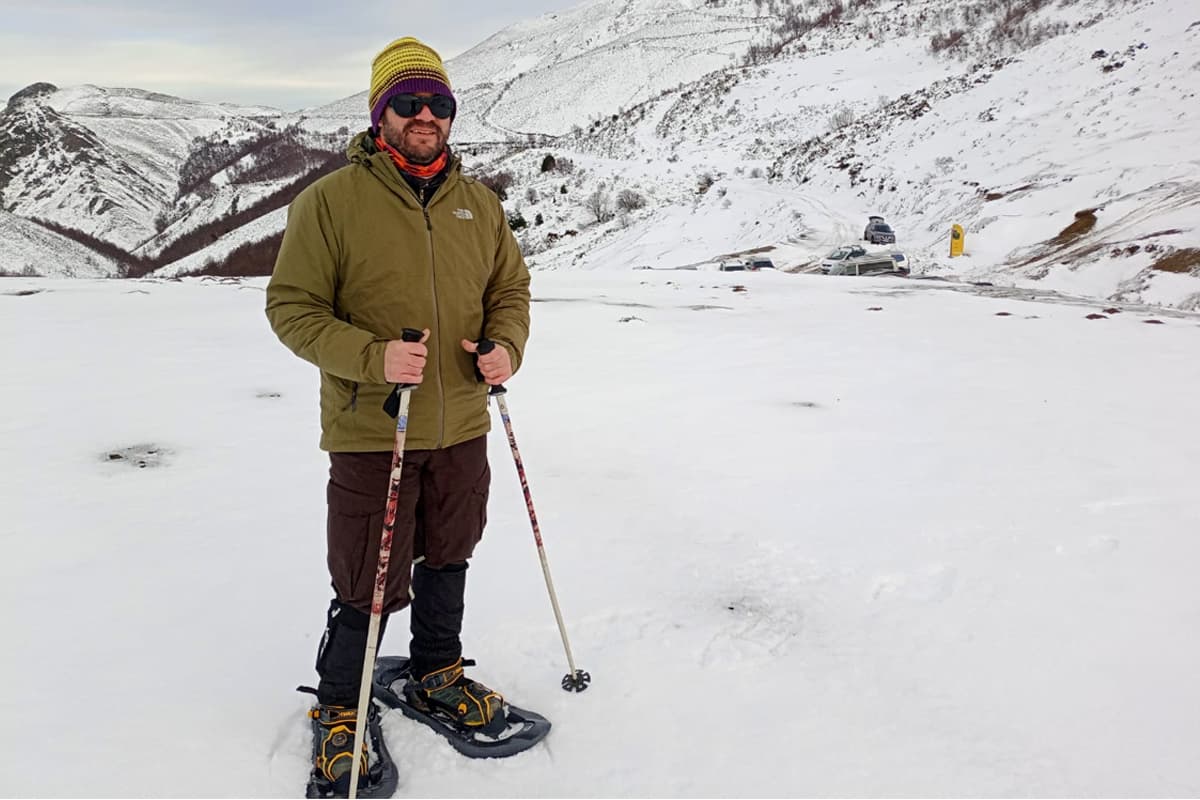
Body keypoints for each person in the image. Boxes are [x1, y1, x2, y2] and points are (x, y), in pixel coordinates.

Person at [265, 36, 531, 796]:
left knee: (450, 552)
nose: (425, 116)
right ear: (380, 115)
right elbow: (292, 308)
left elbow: (510, 290)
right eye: (408, 104)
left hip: (463, 424)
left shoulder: (478, 204)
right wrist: (371, 356)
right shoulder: (331, 203)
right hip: (372, 426)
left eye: (438, 104)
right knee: (366, 576)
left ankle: (436, 673)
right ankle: (343, 708)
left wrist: (506, 347)